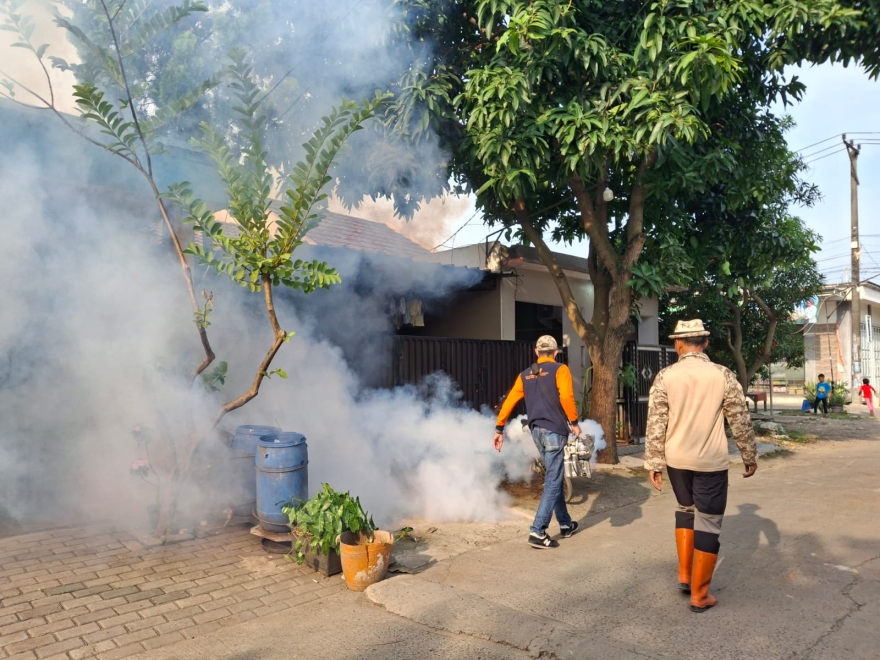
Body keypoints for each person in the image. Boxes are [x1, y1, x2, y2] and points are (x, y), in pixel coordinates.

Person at [644, 319, 757, 613]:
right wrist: (749, 454)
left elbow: (656, 421)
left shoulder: (665, 375)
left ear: (678, 344)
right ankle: (699, 595)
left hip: (676, 461)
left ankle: (685, 575)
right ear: (705, 343)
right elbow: (739, 418)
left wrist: (654, 462)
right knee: (708, 521)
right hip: (710, 461)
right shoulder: (722, 374)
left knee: (685, 510)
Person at [493, 335, 582, 549]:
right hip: (554, 431)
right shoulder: (560, 369)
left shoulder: (525, 375)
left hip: (537, 433)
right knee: (553, 479)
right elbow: (566, 397)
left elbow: (510, 400)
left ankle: (565, 524)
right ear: (555, 352)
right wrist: (575, 422)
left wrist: (499, 428)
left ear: (536, 352)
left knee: (554, 475)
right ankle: (538, 531)